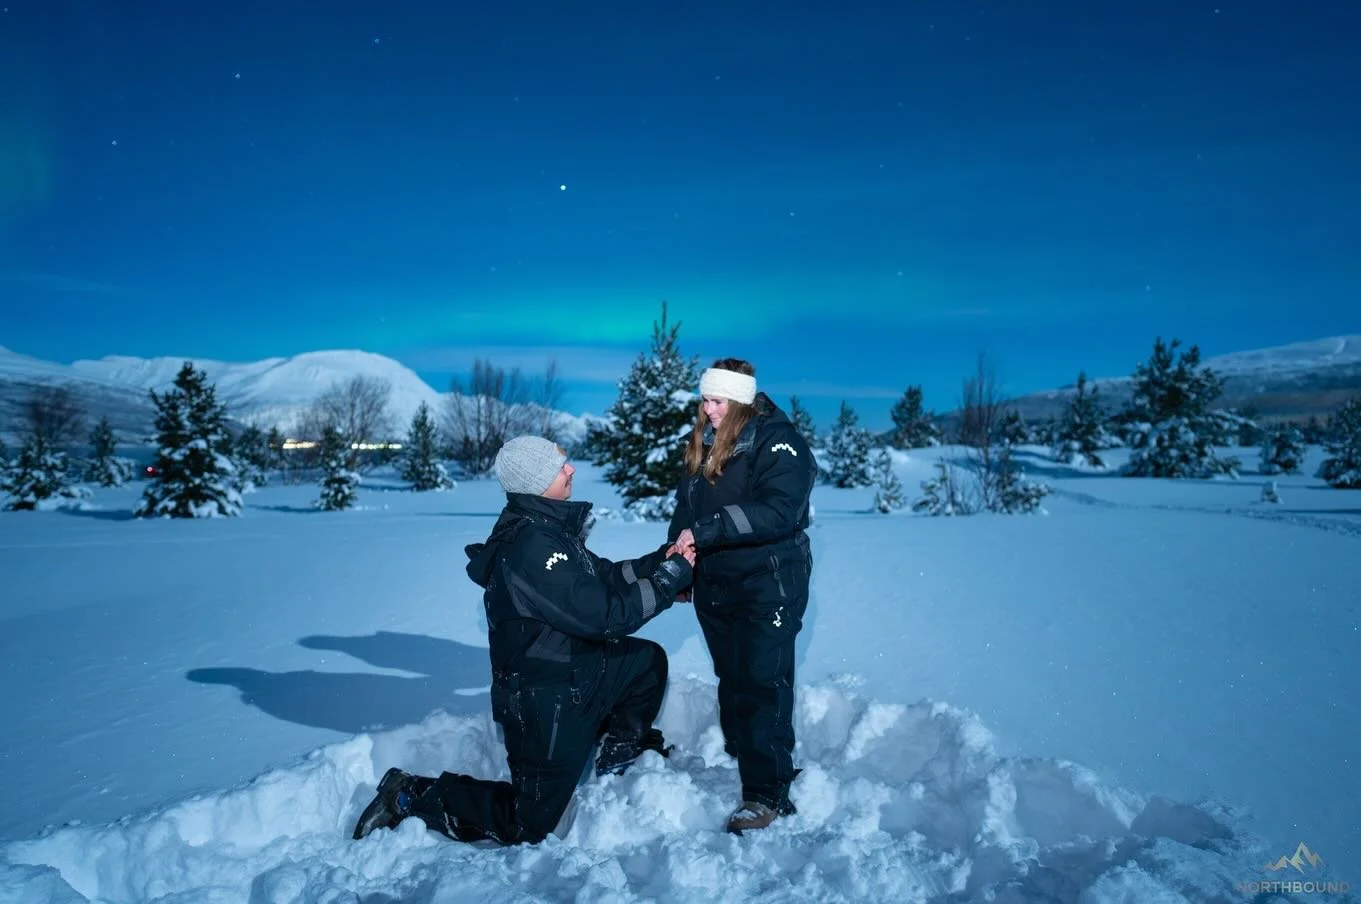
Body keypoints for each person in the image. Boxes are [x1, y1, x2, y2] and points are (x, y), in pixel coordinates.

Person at [353, 435, 695, 844]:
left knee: (646, 662)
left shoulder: (548, 529)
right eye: (559, 467)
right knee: (529, 824)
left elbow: (603, 578)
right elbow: (604, 615)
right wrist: (669, 579)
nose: (570, 470)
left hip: (579, 671)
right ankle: (410, 794)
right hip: (544, 699)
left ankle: (619, 750)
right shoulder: (532, 546)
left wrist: (662, 562)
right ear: (535, 482)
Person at [668, 358, 817, 834]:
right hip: (717, 581)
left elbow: (779, 511)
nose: (707, 409)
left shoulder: (779, 442)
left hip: (768, 581)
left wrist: (704, 532)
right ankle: (746, 750)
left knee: (762, 682)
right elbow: (686, 507)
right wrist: (680, 562)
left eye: (717, 400)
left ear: (741, 400)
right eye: (705, 399)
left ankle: (767, 792)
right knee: (732, 674)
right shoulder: (706, 442)